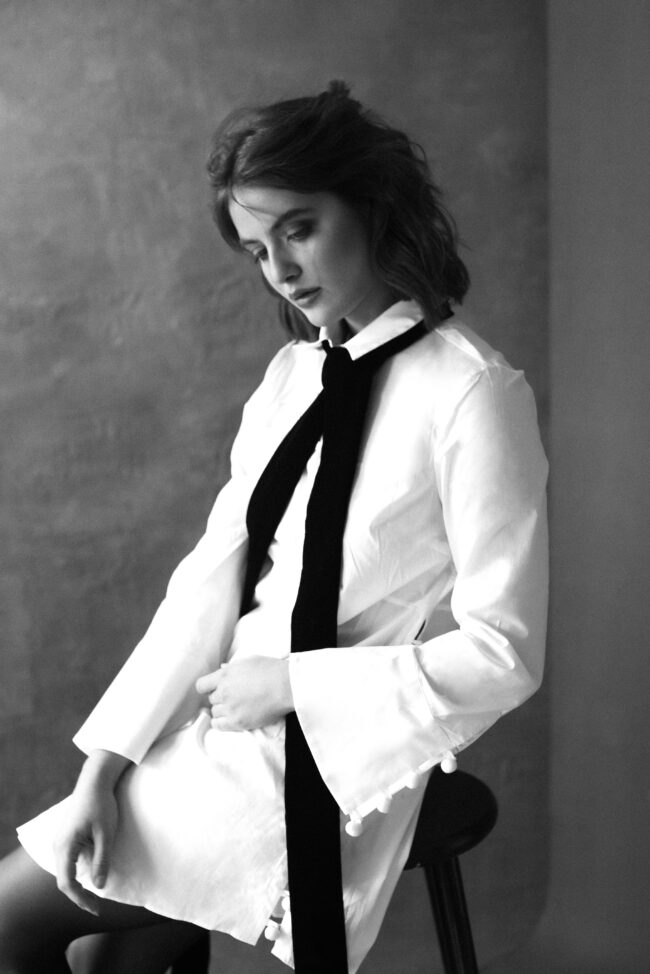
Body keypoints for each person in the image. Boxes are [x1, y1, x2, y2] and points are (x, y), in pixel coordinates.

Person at [0, 81, 548, 974]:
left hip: (328, 746)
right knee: (106, 956)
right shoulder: (292, 378)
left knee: (10, 919)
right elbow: (208, 584)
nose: (282, 271)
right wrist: (105, 763)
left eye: (299, 229)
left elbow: (504, 652)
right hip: (213, 725)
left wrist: (294, 685)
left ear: (371, 207)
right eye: (258, 249)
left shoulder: (474, 393)